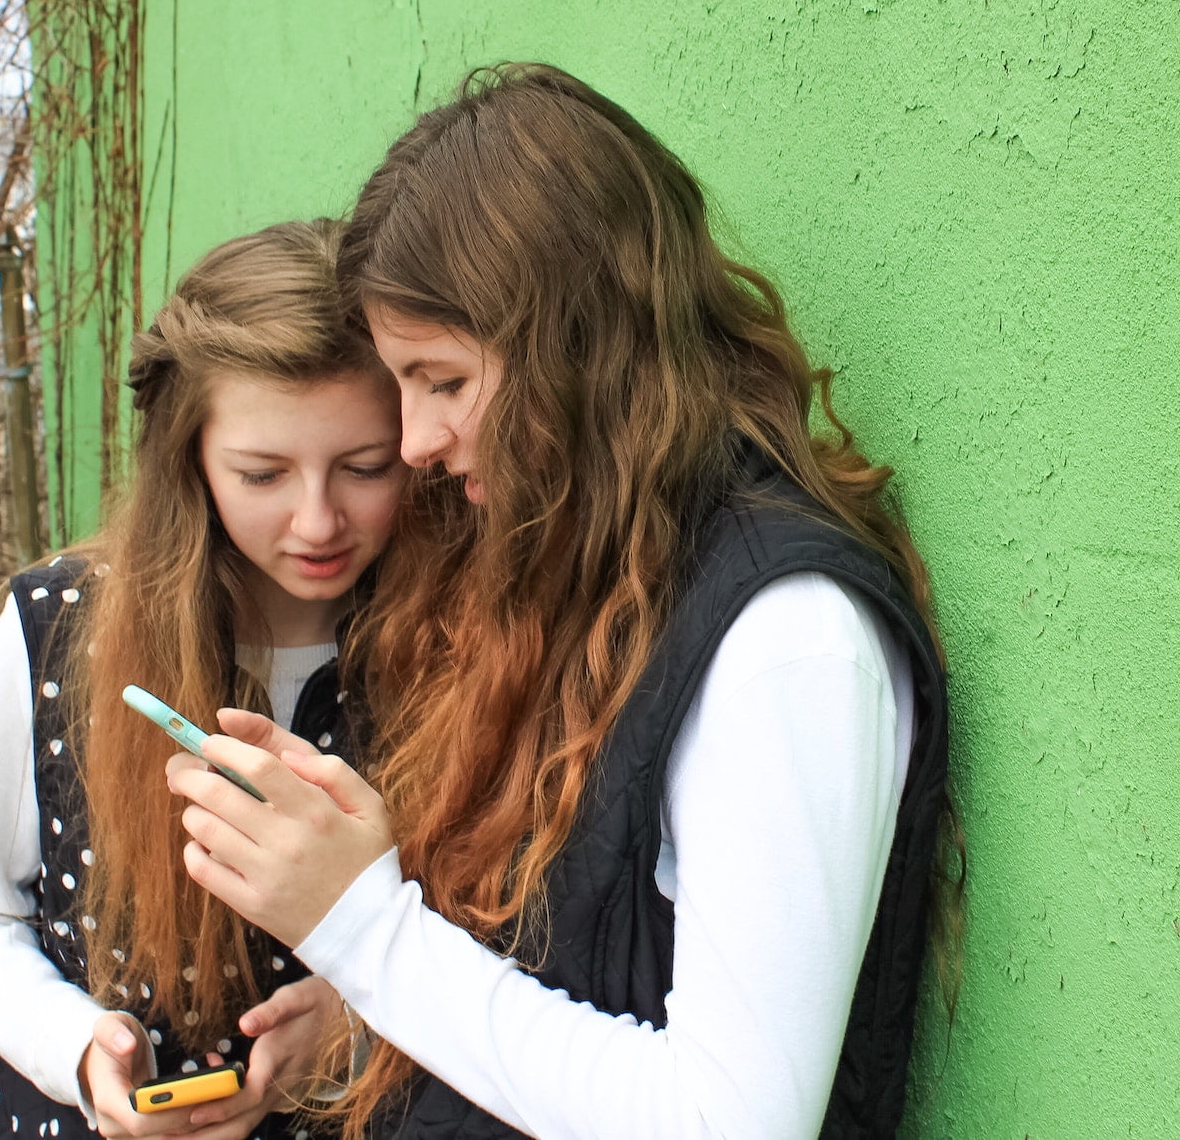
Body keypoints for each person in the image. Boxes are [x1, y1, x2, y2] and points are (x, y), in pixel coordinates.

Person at [167, 65, 956, 1140]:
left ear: (578, 347)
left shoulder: (786, 635)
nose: (414, 444)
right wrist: (368, 1009)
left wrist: (362, 927)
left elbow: (728, 1120)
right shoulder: (601, 564)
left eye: (442, 381)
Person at [0, 221, 407, 1140]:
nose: (317, 519)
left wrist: (360, 1020)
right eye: (261, 473)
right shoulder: (62, 627)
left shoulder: (459, 648)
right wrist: (77, 1047)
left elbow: (516, 940)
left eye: (365, 467)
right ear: (191, 459)